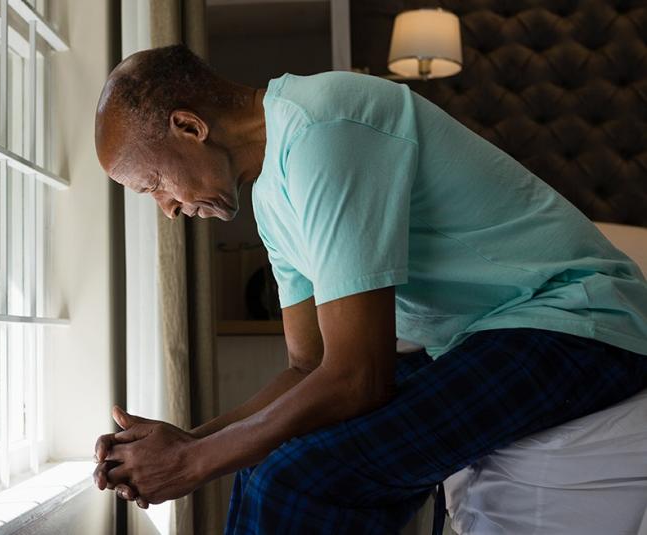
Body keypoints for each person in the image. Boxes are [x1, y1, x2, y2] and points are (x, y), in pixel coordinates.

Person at [92, 44, 647, 534]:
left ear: (189, 127)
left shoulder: (326, 126)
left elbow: (359, 377)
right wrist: (193, 441)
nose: (167, 209)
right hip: (487, 335)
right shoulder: (272, 201)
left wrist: (195, 464)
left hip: (577, 320)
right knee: (265, 462)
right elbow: (308, 369)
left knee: (301, 480)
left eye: (155, 184)